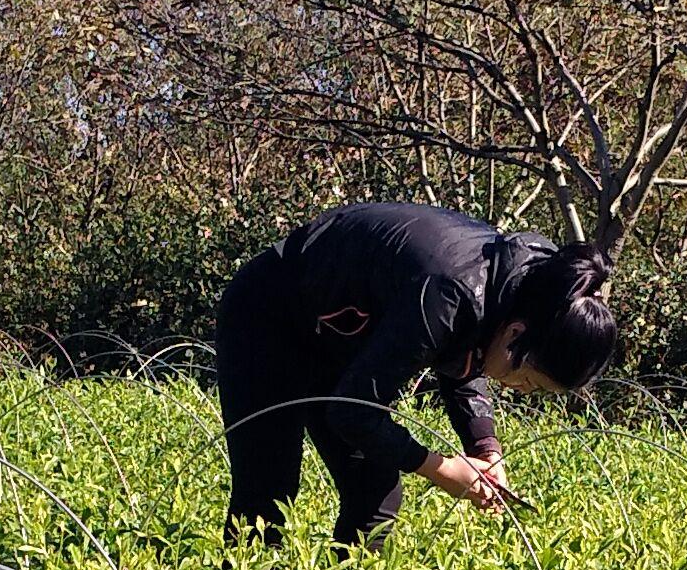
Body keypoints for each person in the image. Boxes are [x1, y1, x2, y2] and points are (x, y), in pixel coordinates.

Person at [215, 201, 621, 547]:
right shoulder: (448, 293)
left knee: (375, 492)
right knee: (266, 489)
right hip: (268, 316)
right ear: (517, 337)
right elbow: (353, 411)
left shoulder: (541, 289)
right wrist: (441, 468)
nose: (520, 390)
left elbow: (467, 351)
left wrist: (485, 447)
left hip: (342, 336)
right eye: (530, 381)